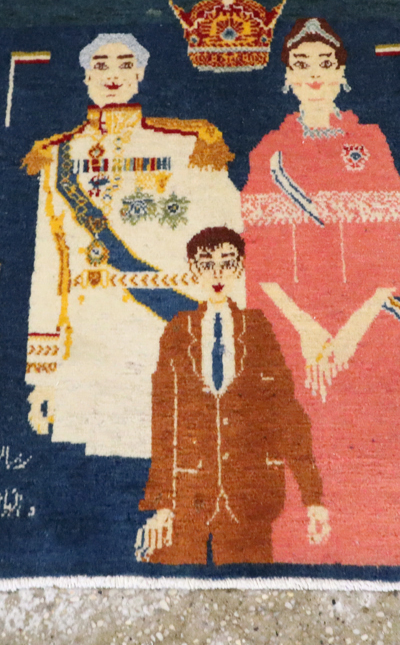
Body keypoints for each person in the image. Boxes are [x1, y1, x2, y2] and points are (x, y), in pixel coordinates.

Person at [240, 18, 400, 566]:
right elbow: (259, 257)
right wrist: (308, 329)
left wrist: (349, 332)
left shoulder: (369, 143)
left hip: (365, 308)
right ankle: (291, 538)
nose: (314, 75)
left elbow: (393, 245)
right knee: (277, 380)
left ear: (342, 73)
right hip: (290, 311)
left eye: (325, 64)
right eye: (301, 65)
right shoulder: (270, 152)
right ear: (287, 78)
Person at [21, 34, 242, 459]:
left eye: (124, 65)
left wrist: (225, 342)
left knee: (180, 455)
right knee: (95, 465)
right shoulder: (57, 159)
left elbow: (229, 243)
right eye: (100, 65)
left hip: (163, 328)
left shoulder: (186, 146)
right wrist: (43, 376)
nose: (112, 76)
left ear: (140, 74)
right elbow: (49, 268)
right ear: (85, 76)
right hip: (88, 339)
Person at [135, 227, 329, 564]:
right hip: (188, 495)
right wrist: (162, 504)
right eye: (207, 264)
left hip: (250, 495)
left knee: (253, 579)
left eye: (227, 263)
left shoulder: (258, 329)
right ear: (193, 270)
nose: (218, 273)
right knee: (174, 578)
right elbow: (165, 418)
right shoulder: (178, 330)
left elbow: (286, 412)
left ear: (240, 268)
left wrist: (312, 496)